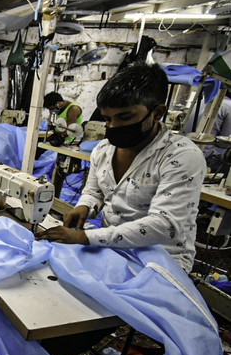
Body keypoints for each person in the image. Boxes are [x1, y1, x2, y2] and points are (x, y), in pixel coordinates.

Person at [36, 63, 206, 273]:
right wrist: (85, 206)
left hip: (160, 263)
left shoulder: (182, 156)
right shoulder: (103, 150)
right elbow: (94, 191)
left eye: (125, 117)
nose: (113, 127)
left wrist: (85, 237)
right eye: (107, 119)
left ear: (157, 113)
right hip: (111, 252)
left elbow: (164, 225)